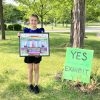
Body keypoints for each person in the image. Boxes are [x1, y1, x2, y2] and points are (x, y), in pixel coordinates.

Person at [18, 14, 45, 94]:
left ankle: (36, 85)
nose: (33, 22)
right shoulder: (26, 31)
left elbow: (43, 42)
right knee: (30, 69)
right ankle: (30, 84)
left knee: (36, 69)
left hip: (37, 53)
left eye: (35, 20)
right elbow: (23, 42)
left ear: (37, 21)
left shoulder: (40, 31)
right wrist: (19, 36)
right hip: (29, 53)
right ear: (29, 21)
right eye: (32, 20)